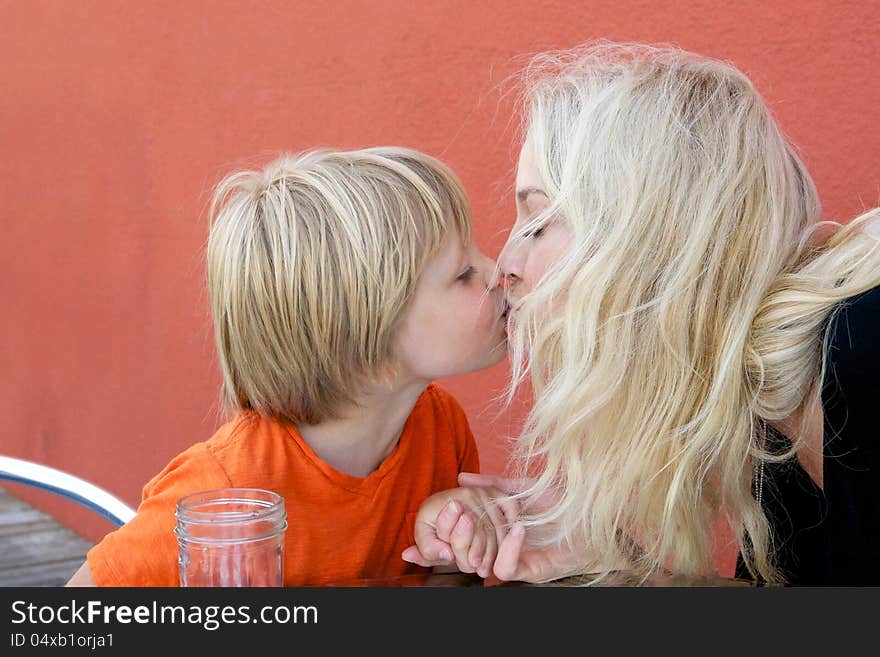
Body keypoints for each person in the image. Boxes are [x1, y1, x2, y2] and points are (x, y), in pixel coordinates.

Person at [403, 42, 880, 585]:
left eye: (538, 221)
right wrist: (617, 566)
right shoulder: (761, 392)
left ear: (649, 230)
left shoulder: (863, 344)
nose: (504, 266)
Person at [66, 146, 508, 586]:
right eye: (463, 273)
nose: (499, 270)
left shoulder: (440, 427)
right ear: (364, 347)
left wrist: (459, 552)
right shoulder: (223, 495)